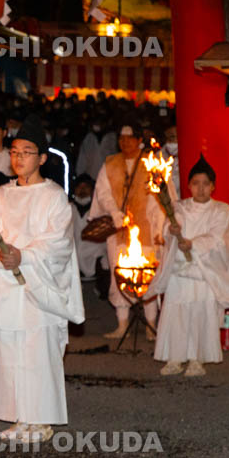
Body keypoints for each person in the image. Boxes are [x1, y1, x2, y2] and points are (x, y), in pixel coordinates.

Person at [0, 115, 85, 443]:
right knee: (8, 348)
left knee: (35, 351)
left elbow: (58, 242)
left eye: (27, 152)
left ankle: (40, 419)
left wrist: (24, 256)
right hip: (5, 284)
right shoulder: (0, 196)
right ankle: (19, 416)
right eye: (14, 151)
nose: (18, 158)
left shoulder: (54, 196)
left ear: (42, 158)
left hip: (36, 287)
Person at [148, 156, 229, 376]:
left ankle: (197, 358)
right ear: (188, 186)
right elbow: (173, 223)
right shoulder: (180, 207)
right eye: (196, 183)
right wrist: (173, 230)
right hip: (180, 272)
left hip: (204, 272)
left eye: (205, 184)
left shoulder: (221, 210)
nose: (200, 188)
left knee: (200, 313)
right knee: (177, 314)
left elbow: (218, 239)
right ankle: (175, 357)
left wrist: (193, 244)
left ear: (213, 186)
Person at [90, 122, 168, 340]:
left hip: (146, 228)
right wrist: (114, 213)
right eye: (121, 138)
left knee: (148, 275)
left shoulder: (151, 162)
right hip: (119, 230)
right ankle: (122, 323)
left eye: (129, 138)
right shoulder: (111, 163)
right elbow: (103, 193)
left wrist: (160, 227)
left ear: (139, 140)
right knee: (119, 275)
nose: (124, 143)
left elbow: (161, 196)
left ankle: (150, 323)